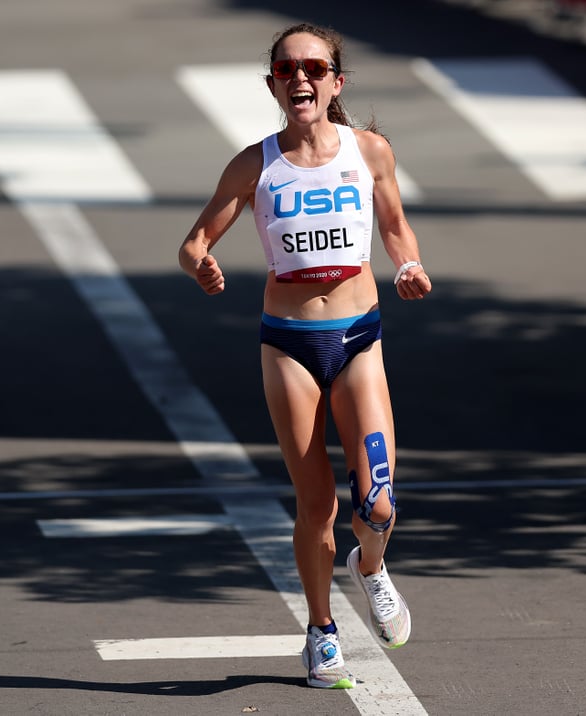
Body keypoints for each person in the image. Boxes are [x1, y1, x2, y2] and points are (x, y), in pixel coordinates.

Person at [178, 22, 432, 689]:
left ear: (335, 82)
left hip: (359, 339)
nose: (301, 79)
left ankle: (370, 567)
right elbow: (194, 239)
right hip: (289, 344)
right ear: (272, 84)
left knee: (377, 502)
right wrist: (200, 262)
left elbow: (397, 229)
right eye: (287, 70)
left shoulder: (370, 151)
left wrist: (407, 267)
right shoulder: (255, 164)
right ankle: (322, 633)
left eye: (314, 68)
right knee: (316, 503)